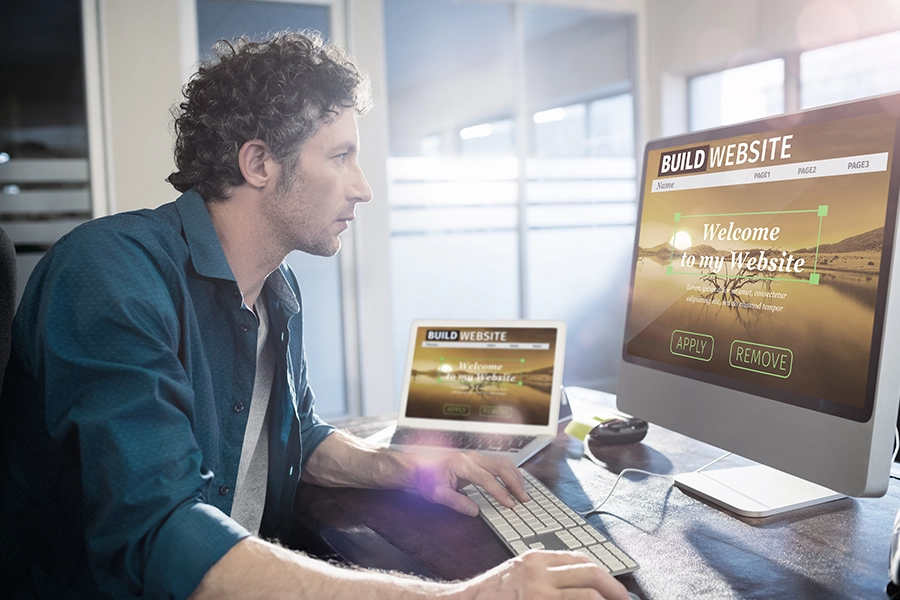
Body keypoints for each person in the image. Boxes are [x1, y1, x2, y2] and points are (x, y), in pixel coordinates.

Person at [0, 31, 630, 600]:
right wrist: (465, 598)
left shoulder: (278, 289)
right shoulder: (109, 275)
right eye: (340, 156)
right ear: (258, 163)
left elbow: (296, 435)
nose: (363, 187)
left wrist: (395, 464)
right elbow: (159, 534)